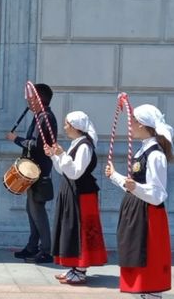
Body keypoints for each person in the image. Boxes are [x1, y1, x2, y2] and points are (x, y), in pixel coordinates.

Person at [105, 104, 174, 299]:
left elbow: (158, 194)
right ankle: (146, 294)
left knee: (146, 257)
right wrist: (116, 177)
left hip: (148, 216)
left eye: (133, 121)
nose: (130, 125)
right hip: (137, 211)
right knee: (133, 253)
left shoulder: (155, 155)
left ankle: (151, 294)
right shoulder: (143, 150)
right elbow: (134, 185)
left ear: (143, 125)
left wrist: (134, 187)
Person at [44, 111, 107, 284]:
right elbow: (63, 170)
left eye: (66, 124)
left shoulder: (85, 146)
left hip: (82, 193)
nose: (64, 127)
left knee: (81, 228)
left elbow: (76, 172)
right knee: (70, 227)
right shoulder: (76, 143)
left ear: (74, 126)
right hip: (71, 190)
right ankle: (74, 266)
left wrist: (62, 155)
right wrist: (55, 155)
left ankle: (80, 269)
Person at [5, 82, 56, 263]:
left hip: (39, 171)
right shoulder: (40, 116)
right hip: (32, 170)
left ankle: (46, 250)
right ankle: (32, 246)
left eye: (31, 97)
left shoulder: (45, 118)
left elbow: (37, 146)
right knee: (31, 209)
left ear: (39, 99)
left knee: (37, 210)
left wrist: (16, 139)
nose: (28, 100)